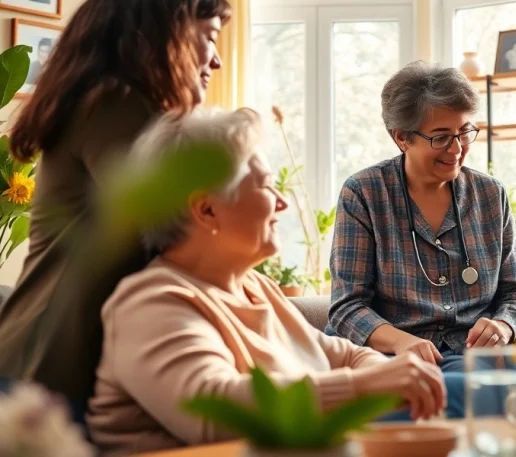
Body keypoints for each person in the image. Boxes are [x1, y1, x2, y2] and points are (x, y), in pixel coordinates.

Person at [86, 109, 447, 456]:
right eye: (266, 187)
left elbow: (345, 354)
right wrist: (364, 387)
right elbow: (213, 408)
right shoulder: (151, 304)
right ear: (207, 209)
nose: (282, 204)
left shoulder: (256, 288)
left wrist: (384, 376)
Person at [0, 0, 231, 417]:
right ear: (163, 34)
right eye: (209, 38)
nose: (217, 58)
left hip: (51, 364)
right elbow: (179, 224)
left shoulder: (118, 108)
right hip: (47, 372)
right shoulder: (114, 105)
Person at [327, 60, 516, 416]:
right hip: (387, 357)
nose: (456, 148)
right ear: (401, 137)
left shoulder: (490, 195)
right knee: (475, 393)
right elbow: (347, 307)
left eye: (465, 132)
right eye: (441, 137)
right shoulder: (363, 194)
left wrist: (503, 323)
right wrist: (402, 342)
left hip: (471, 360)